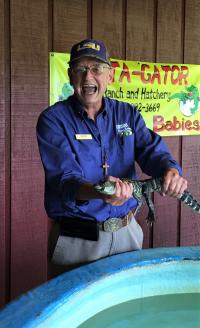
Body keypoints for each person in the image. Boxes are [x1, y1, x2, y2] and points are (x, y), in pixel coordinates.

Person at [36, 39, 188, 276]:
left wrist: (170, 170)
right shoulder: (53, 120)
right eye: (80, 69)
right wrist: (101, 193)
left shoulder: (127, 113)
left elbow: (151, 150)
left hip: (127, 233)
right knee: (79, 312)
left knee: (127, 308)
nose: (88, 77)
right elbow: (65, 179)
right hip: (78, 238)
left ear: (110, 75)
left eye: (97, 69)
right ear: (70, 75)